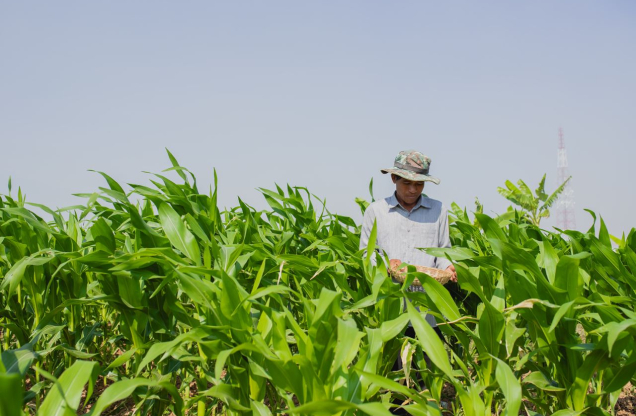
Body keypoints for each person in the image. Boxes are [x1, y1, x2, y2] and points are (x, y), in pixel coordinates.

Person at [359, 149, 457, 324]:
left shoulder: (438, 211)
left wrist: (448, 266)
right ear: (393, 178)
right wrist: (384, 264)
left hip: (428, 312)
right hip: (391, 310)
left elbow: (442, 252)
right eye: (406, 183)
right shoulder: (376, 212)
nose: (413, 190)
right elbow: (367, 254)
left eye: (419, 184)